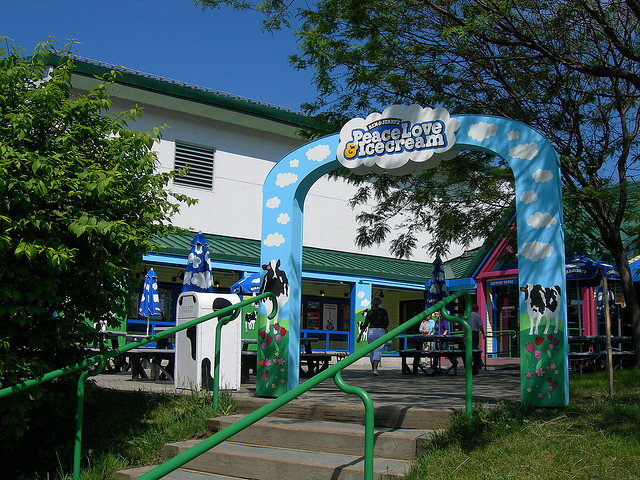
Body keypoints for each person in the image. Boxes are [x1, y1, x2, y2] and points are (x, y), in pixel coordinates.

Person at [357, 297, 389, 375]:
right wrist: (385, 328)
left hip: (371, 331)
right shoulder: (383, 311)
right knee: (378, 349)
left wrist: (360, 335)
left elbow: (365, 324)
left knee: (371, 349)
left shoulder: (370, 312)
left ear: (372, 304)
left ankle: (372, 368)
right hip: (380, 331)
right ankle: (375, 368)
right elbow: (387, 322)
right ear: (380, 303)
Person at [467, 304, 485, 375]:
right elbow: (480, 326)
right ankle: (478, 363)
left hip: (469, 332)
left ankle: (474, 362)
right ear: (477, 309)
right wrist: (483, 333)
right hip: (475, 333)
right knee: (475, 348)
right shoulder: (478, 316)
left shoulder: (468, 316)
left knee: (470, 348)